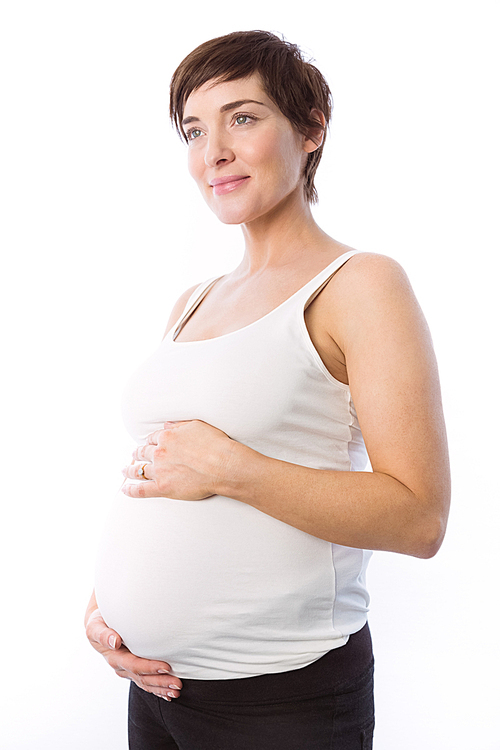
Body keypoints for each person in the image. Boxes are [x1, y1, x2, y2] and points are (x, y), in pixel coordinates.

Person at [85, 30, 450, 750]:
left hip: (279, 702)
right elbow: (162, 469)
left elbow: (419, 518)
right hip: (157, 687)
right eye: (194, 129)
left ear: (311, 129)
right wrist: (108, 605)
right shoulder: (195, 299)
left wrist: (231, 468)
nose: (212, 150)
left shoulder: (360, 284)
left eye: (242, 118)